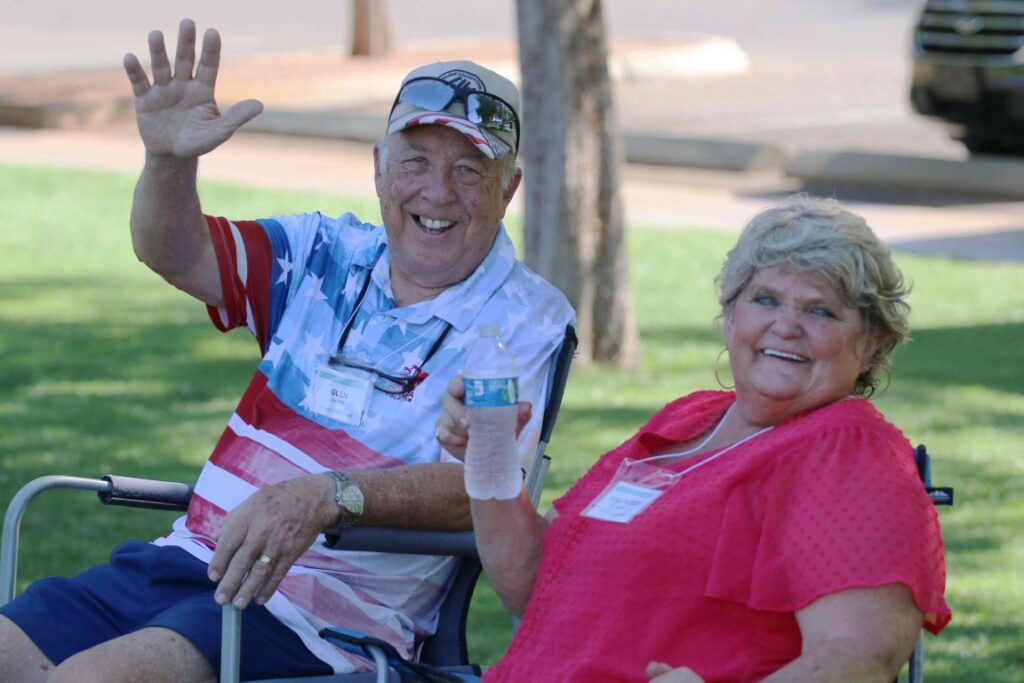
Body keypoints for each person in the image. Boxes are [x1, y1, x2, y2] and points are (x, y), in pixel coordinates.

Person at [0, 18, 574, 683]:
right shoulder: (323, 251)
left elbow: (478, 485)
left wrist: (329, 493)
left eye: (469, 169)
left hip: (313, 621)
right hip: (185, 562)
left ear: (509, 188)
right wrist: (168, 162)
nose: (438, 191)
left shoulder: (525, 320)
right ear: (380, 168)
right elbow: (176, 250)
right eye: (416, 159)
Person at [437, 196, 951, 683]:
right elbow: (531, 587)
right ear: (731, 315)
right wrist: (492, 454)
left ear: (872, 342)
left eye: (820, 311)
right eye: (765, 299)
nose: (786, 326)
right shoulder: (686, 420)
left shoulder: (847, 450)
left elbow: (860, 659)